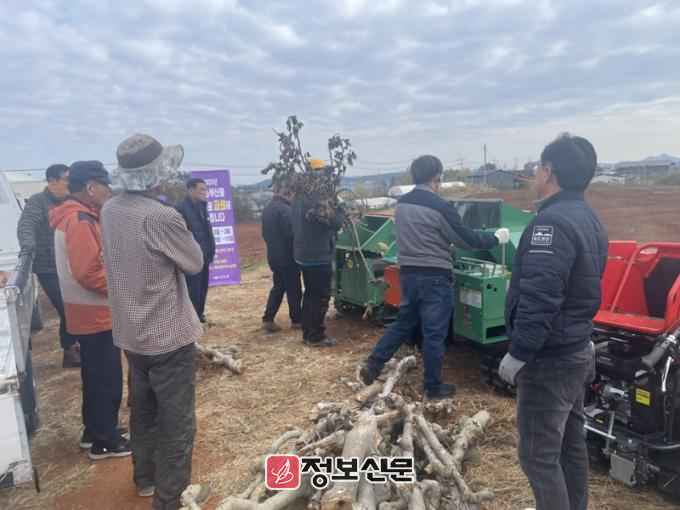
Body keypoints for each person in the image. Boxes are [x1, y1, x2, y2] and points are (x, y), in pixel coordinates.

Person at [101, 133, 211, 509]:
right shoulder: (161, 215)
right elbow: (194, 262)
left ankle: (145, 477)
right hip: (167, 335)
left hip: (130, 332)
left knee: (144, 410)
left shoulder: (109, 209)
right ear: (156, 175)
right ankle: (171, 498)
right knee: (177, 421)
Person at [498, 134, 608, 510]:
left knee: (537, 455)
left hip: (550, 359)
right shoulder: (588, 217)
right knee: (569, 445)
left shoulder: (551, 224)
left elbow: (540, 297)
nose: (534, 175)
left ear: (549, 171)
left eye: (537, 168)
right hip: (576, 349)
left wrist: (519, 352)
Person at [359, 155, 508, 398]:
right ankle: (433, 387)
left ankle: (373, 364)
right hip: (435, 279)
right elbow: (467, 240)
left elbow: (422, 235)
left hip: (409, 275)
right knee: (434, 334)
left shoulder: (402, 204)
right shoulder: (440, 207)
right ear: (436, 177)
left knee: (403, 323)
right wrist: (496, 238)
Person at [50, 161, 130, 459]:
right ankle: (105, 442)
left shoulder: (70, 215)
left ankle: (94, 430)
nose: (109, 190)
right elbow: (89, 273)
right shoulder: (81, 219)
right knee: (106, 378)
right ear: (91, 187)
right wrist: (121, 285)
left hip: (84, 310)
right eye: (106, 185)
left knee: (95, 376)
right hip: (95, 312)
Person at [17, 163, 80, 367]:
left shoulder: (70, 201)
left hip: (70, 264)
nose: (69, 183)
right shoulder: (38, 201)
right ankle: (70, 351)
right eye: (66, 179)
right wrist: (28, 247)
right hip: (49, 267)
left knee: (73, 306)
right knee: (66, 308)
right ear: (52, 181)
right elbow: (26, 225)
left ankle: (74, 347)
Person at [291, 158, 347, 347]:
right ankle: (316, 336)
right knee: (320, 296)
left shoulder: (298, 197)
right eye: (322, 173)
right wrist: (341, 208)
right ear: (316, 175)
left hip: (304, 255)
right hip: (317, 256)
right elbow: (336, 223)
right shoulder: (315, 200)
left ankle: (308, 333)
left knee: (310, 294)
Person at [260, 184, 302, 332]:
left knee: (278, 287)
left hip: (274, 255)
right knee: (294, 289)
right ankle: (297, 320)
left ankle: (268, 319)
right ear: (286, 193)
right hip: (288, 256)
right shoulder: (285, 210)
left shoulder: (268, 209)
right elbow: (290, 233)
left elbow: (264, 234)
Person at [176, 178, 216, 323]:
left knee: (203, 287)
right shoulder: (181, 209)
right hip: (192, 258)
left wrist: (211, 250)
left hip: (205, 254)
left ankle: (200, 314)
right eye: (201, 189)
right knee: (193, 289)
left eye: (205, 189)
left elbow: (207, 231)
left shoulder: (202, 207)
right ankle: (192, 319)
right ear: (191, 190)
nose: (205, 192)